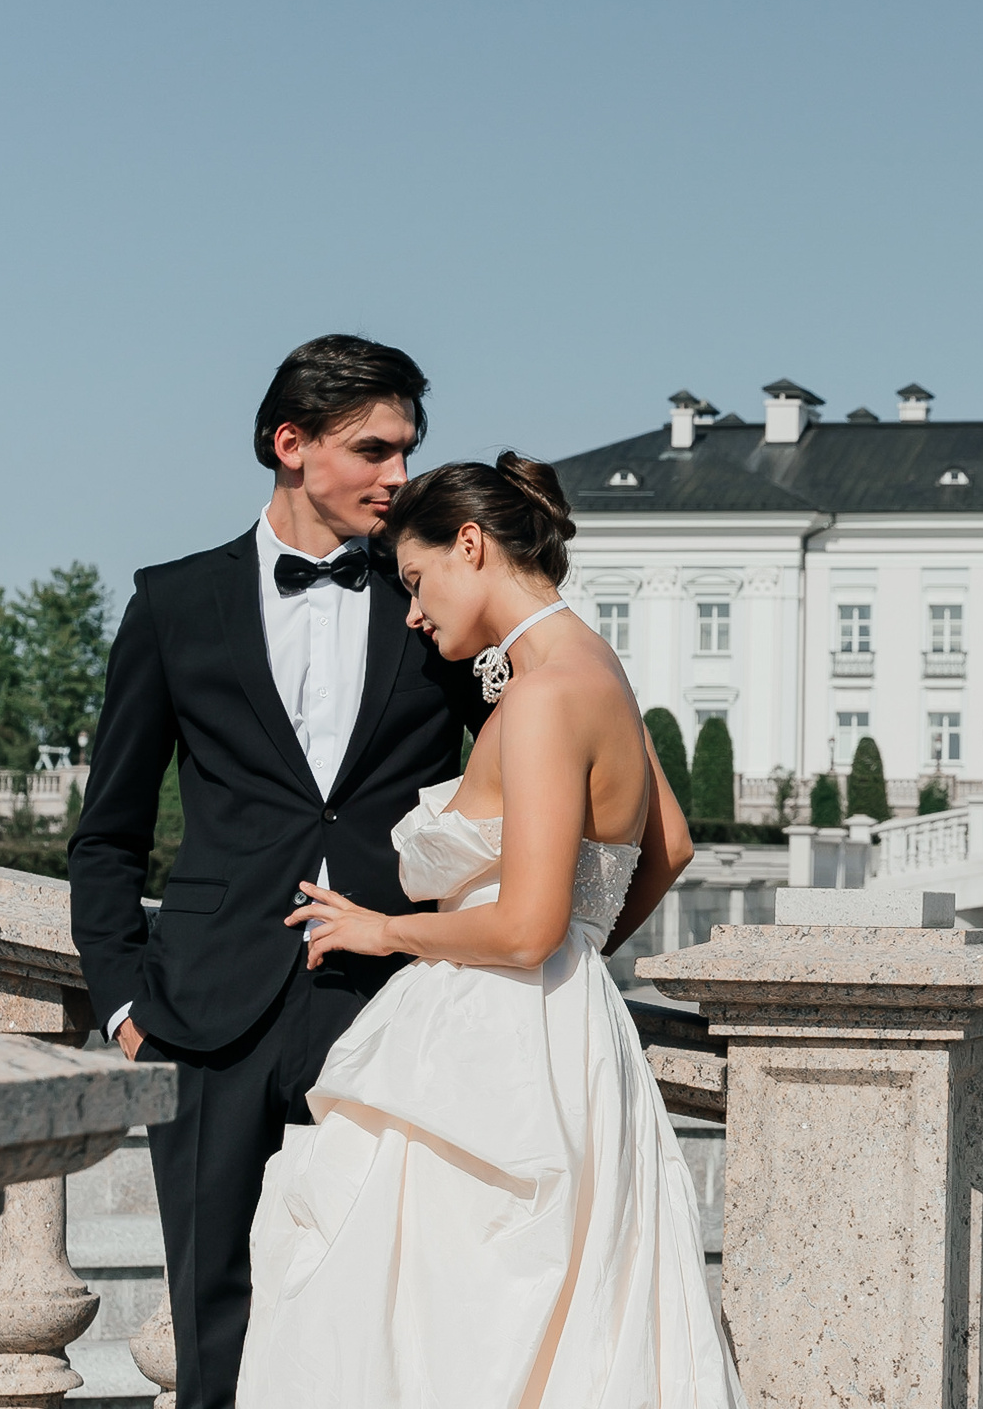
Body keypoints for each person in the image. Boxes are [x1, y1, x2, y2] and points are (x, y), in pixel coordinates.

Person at [234, 452, 740, 1405]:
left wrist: (386, 931)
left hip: (490, 1045)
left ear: (472, 543)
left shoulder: (543, 694)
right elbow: (669, 843)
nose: (414, 615)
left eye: (418, 581)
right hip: (565, 1033)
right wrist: (583, 955)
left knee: (441, 1322)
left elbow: (522, 929)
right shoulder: (596, 666)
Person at [70, 335, 484, 1409]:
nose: (400, 477)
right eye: (375, 451)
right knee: (214, 1318)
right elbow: (106, 834)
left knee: (390, 1320)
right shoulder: (171, 605)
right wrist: (123, 1001)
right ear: (289, 444)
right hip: (205, 1016)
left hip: (394, 1007)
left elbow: (539, 764)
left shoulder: (430, 602)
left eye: (407, 451)